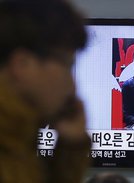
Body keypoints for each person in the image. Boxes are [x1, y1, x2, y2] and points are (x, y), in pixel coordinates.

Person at [0, 0, 91, 182]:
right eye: (67, 66)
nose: (72, 85)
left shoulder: (18, 141)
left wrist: (69, 151)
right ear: (22, 64)